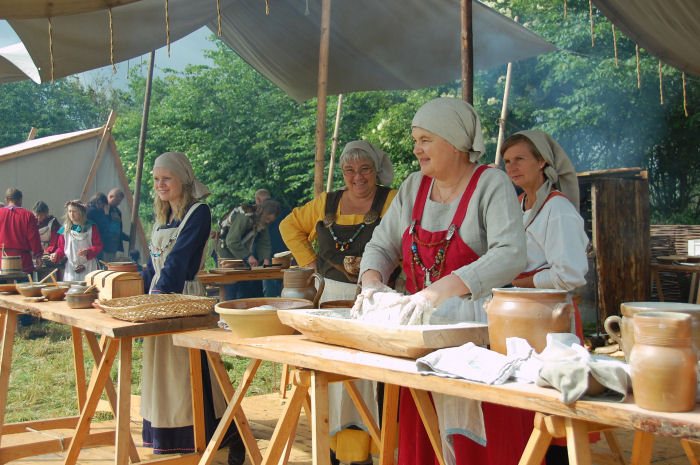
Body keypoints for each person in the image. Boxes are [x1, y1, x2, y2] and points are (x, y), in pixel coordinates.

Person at [357, 97, 527, 465]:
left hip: (480, 343)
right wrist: (371, 281)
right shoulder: (413, 187)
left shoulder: (491, 184)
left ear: (453, 141)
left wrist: (442, 289)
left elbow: (511, 252)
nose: (416, 148)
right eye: (416, 139)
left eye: (425, 139)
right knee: (426, 438)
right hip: (422, 341)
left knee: (479, 448)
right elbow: (383, 244)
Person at [280, 140, 397, 465]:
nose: (357, 177)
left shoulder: (393, 200)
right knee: (330, 377)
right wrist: (311, 263)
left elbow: (406, 236)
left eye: (365, 170)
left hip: (374, 299)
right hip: (329, 297)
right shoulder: (326, 203)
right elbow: (289, 225)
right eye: (349, 171)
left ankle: (364, 452)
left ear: (376, 170)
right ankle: (331, 451)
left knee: (365, 377)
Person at [140, 151, 244, 462]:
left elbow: (179, 261)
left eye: (166, 178)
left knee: (189, 372)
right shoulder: (163, 218)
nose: (161, 184)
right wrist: (138, 293)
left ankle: (217, 434)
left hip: (184, 298)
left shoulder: (198, 212)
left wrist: (158, 297)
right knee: (165, 372)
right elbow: (152, 265)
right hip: (161, 297)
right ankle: (169, 435)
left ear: (183, 179)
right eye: (157, 179)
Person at [501, 130, 591, 465]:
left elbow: (570, 275)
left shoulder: (559, 210)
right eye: (508, 161)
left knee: (554, 419)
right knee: (529, 417)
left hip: (553, 324)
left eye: (520, 159)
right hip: (523, 322)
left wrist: (520, 281)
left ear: (542, 162)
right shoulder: (519, 206)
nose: (512, 167)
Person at [219, 198, 280, 300]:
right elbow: (231, 241)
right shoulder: (245, 216)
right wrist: (248, 256)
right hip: (226, 251)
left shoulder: (262, 221)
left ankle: (243, 309)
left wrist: (265, 259)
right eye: (268, 219)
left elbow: (264, 242)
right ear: (263, 213)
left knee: (245, 285)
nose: (268, 222)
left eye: (270, 220)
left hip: (240, 252)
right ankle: (229, 309)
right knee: (231, 284)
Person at [50, 200, 103, 281]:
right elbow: (61, 248)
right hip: (72, 268)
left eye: (74, 211)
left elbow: (98, 246)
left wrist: (88, 251)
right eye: (69, 211)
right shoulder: (64, 229)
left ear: (81, 212)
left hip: (88, 266)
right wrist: (56, 254)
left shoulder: (91, 227)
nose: (71, 214)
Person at [0, 188, 43, 273]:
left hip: (2, 261)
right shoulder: (28, 215)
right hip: (23, 262)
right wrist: (38, 256)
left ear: (6, 200)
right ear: (20, 199)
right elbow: (34, 238)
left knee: (3, 287)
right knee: (23, 286)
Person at [261, 199, 289, 298]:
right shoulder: (262, 223)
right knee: (270, 292)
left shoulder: (283, 218)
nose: (269, 221)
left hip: (281, 259)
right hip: (271, 260)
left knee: (282, 292)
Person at [103, 188, 130, 261]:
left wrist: (126, 237)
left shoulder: (118, 211)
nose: (119, 203)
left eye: (120, 201)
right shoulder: (103, 208)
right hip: (105, 245)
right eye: (117, 200)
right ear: (111, 196)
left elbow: (118, 229)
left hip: (115, 246)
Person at [87, 193, 111, 260]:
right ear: (99, 202)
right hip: (95, 241)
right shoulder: (95, 212)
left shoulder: (87, 209)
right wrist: (106, 213)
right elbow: (104, 226)